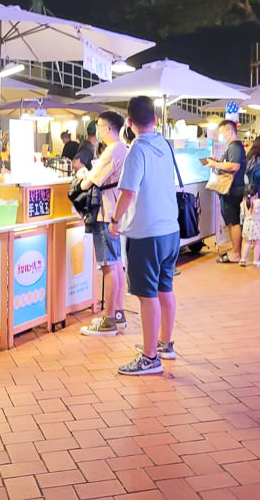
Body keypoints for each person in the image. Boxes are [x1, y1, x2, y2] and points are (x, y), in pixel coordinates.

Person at [109, 96, 179, 375]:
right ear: (156, 118)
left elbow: (128, 192)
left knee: (147, 294)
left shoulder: (137, 150)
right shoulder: (164, 144)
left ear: (128, 122)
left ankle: (150, 358)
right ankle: (164, 344)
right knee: (165, 289)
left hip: (146, 233)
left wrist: (115, 221)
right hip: (170, 230)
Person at [79, 111, 129, 336]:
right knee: (116, 264)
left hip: (104, 213)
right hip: (114, 210)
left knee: (108, 266)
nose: (97, 131)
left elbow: (88, 183)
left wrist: (83, 174)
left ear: (107, 129)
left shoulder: (112, 151)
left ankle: (108, 318)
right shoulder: (123, 149)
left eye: (99, 127)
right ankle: (118, 313)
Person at [208, 120, 247, 264]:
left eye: (222, 132)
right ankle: (235, 250)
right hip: (232, 189)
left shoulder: (235, 147)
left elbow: (234, 166)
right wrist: (218, 162)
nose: (221, 135)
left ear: (229, 131)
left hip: (232, 189)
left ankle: (236, 253)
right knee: (232, 221)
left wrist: (215, 164)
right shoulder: (233, 147)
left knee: (233, 222)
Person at [239, 184, 260, 267]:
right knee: (257, 243)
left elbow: (243, 214)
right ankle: (256, 261)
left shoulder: (243, 203)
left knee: (246, 242)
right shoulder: (258, 202)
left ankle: (243, 259)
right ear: (256, 194)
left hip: (247, 224)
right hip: (256, 224)